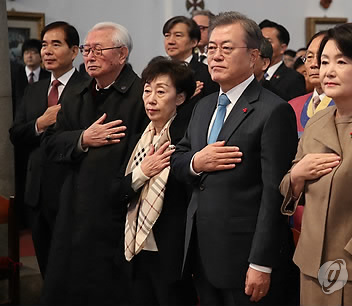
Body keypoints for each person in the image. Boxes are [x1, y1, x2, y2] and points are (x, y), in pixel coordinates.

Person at [171, 11, 298, 306]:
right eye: (211, 48)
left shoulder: (272, 110)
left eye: (226, 48)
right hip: (201, 252)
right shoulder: (203, 107)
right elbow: (178, 158)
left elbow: (274, 194)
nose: (215, 56)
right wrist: (196, 162)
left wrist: (261, 263)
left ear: (254, 56)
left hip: (244, 257)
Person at [280, 23, 352, 305]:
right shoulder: (319, 120)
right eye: (324, 62)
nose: (328, 71)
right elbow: (290, 183)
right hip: (310, 263)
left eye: (341, 61)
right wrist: (296, 175)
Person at [40, 22, 149, 304]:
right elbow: (50, 144)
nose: (89, 56)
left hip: (118, 208)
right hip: (74, 205)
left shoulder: (141, 96)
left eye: (98, 50)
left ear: (122, 54)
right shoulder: (76, 93)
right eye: (86, 50)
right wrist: (83, 139)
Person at [9, 21, 87, 277]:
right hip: (37, 192)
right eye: (44, 45)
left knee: (74, 270)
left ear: (74, 51)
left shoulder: (87, 87)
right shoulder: (35, 90)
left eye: (56, 44)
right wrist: (39, 124)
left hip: (72, 191)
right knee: (46, 266)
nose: (47, 51)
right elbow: (15, 133)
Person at [121, 57, 197, 305]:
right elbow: (115, 191)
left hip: (171, 250)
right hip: (137, 244)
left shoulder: (186, 138)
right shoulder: (138, 139)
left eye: (161, 91)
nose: (151, 99)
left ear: (180, 98)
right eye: (147, 91)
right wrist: (143, 171)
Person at [163, 16, 219, 143]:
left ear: (194, 42)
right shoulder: (158, 72)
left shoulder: (207, 74)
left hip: (190, 143)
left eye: (178, 36)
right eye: (167, 35)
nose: (170, 41)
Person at [288, 30, 335, 137]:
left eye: (321, 57)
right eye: (309, 57)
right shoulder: (293, 106)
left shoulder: (346, 106)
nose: (313, 64)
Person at [259, 19, 306, 101]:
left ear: (283, 48)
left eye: (267, 41)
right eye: (259, 40)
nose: (262, 45)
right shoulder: (249, 74)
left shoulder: (294, 78)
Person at [11, 39, 51, 116]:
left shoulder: (48, 76)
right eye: (26, 53)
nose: (29, 56)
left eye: (34, 53)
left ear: (41, 56)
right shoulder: (15, 76)